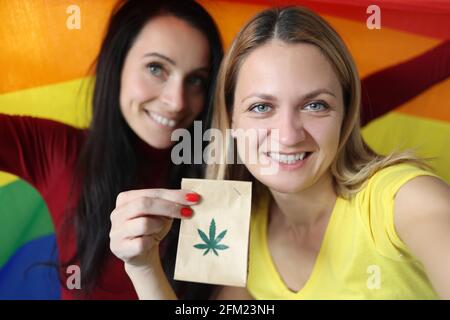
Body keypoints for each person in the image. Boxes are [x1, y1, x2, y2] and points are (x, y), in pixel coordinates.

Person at [206, 6, 450, 299]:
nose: (289, 135)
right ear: (231, 119)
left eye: (315, 105)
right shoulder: (227, 219)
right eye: (261, 107)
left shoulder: (404, 200)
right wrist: (144, 267)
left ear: (346, 115)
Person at [0, 0, 223, 299]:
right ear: (116, 64)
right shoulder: (56, 149)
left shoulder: (224, 173)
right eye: (156, 68)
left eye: (196, 80)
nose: (177, 101)